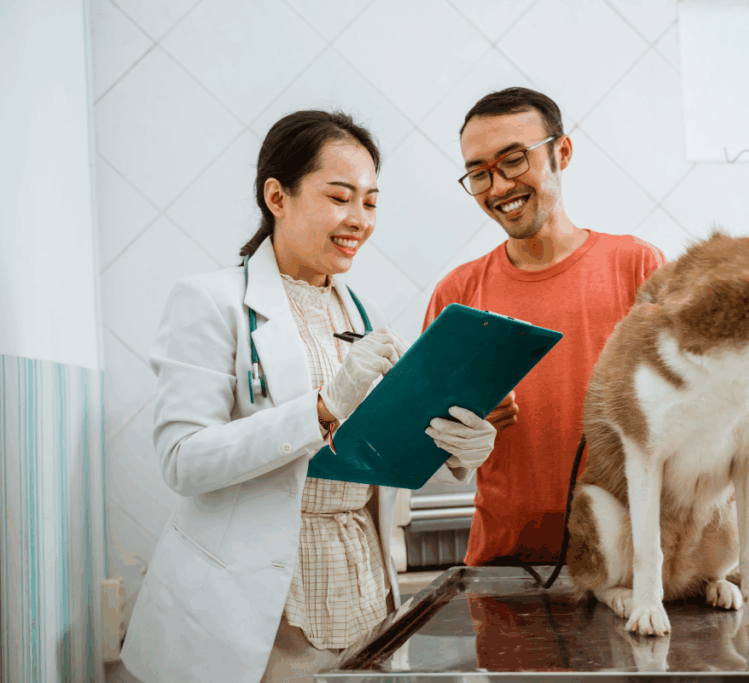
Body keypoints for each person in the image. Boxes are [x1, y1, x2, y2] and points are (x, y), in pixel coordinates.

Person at [119, 110, 497, 683]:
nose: (359, 220)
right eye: (340, 197)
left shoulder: (360, 313)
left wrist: (456, 451)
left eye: (371, 202)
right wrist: (322, 407)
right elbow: (184, 461)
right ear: (277, 195)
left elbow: (374, 458)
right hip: (260, 604)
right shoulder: (210, 301)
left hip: (363, 590)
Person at [422, 88, 666, 568]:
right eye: (478, 173)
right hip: (507, 565)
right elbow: (435, 454)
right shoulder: (457, 295)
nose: (497, 187)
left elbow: (685, 412)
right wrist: (464, 434)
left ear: (563, 152)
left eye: (513, 160)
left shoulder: (637, 267)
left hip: (635, 562)